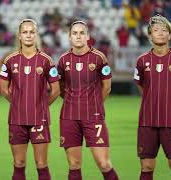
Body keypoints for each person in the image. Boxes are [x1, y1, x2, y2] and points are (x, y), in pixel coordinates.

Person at [57, 20, 119, 180]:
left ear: (88, 36)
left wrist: (94, 104)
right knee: (74, 165)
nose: (78, 36)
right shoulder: (63, 60)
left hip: (94, 116)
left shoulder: (99, 58)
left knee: (104, 164)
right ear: (69, 37)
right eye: (74, 33)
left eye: (81, 33)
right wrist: (72, 100)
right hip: (69, 116)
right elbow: (60, 86)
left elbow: (107, 87)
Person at [0, 19, 60, 180]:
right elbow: (4, 89)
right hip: (17, 119)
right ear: (19, 36)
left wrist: (42, 106)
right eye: (25, 32)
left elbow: (56, 90)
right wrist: (17, 104)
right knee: (18, 163)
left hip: (39, 119)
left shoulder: (46, 60)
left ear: (36, 35)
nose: (28, 35)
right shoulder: (10, 60)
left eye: (31, 31)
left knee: (41, 164)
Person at [134, 14, 171, 180]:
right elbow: (140, 84)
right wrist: (151, 99)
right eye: (156, 30)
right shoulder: (142, 61)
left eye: (164, 30)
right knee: (147, 166)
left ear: (169, 34)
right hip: (147, 121)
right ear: (150, 35)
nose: (160, 33)